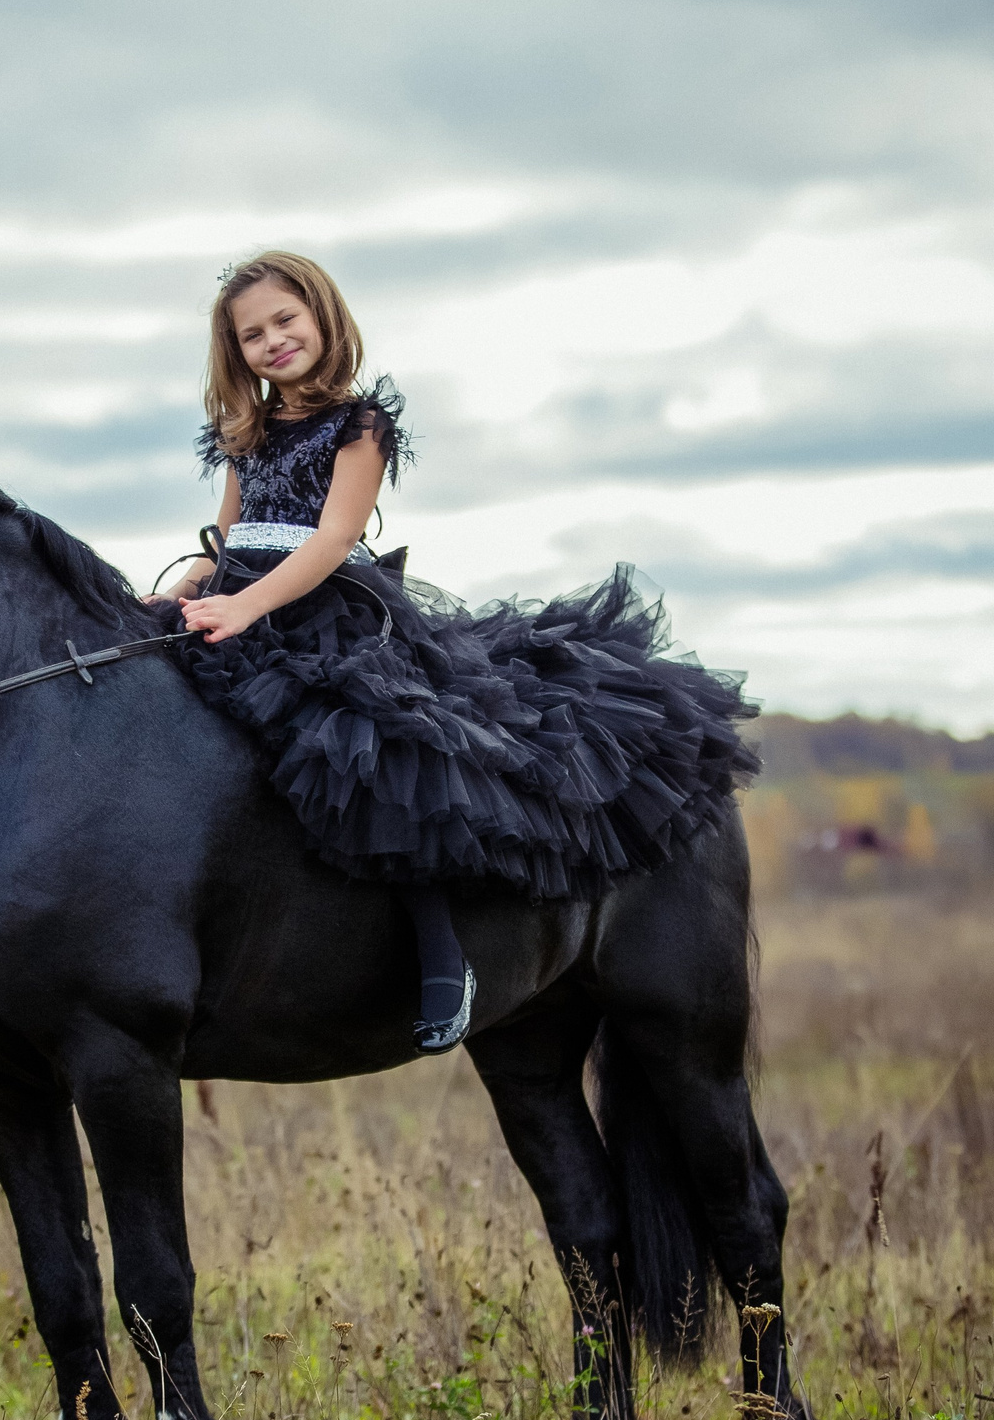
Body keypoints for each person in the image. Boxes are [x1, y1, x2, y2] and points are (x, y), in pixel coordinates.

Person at [151, 251, 760, 1055]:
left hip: (325, 613)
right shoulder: (246, 433)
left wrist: (247, 603)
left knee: (379, 759)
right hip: (239, 603)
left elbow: (334, 540)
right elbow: (229, 536)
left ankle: (444, 961)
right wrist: (186, 585)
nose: (273, 341)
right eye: (252, 334)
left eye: (285, 320)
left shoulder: (359, 425)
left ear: (323, 316)